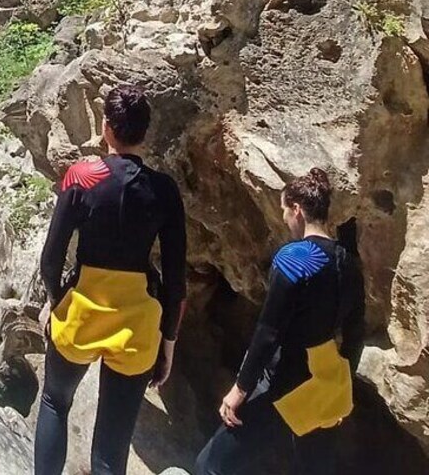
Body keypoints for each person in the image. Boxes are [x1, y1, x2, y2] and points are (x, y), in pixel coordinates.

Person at [34, 85, 187, 475]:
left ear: (106, 128)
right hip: (136, 326)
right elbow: (175, 279)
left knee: (55, 402)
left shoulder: (82, 176)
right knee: (110, 447)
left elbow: (51, 260)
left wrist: (57, 305)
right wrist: (167, 342)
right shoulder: (165, 191)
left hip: (82, 312)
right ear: (145, 132)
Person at [196, 168, 366, 475]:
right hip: (324, 388)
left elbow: (268, 333)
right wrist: (342, 392)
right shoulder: (349, 263)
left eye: (285, 209)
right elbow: (355, 335)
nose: (285, 218)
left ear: (297, 210)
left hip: (285, 385)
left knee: (211, 465)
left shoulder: (295, 258)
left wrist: (239, 390)